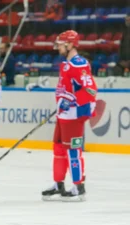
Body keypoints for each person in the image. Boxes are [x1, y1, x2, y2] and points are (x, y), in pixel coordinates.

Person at [42, 30, 96, 202]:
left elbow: (90, 89)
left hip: (74, 115)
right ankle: (58, 184)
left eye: (60, 44)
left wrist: (71, 100)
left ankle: (79, 186)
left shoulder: (79, 64)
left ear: (70, 44)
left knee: (73, 149)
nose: (58, 48)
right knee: (58, 148)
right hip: (64, 114)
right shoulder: (66, 64)